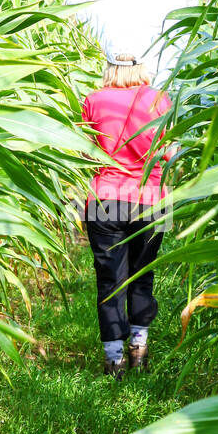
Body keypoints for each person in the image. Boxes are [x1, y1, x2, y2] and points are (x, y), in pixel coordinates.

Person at [80, 47, 172, 379]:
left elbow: (84, 152)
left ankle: (113, 361)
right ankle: (140, 351)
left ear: (109, 68)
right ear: (140, 67)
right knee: (142, 276)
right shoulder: (159, 99)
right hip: (151, 200)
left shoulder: (93, 100)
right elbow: (170, 152)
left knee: (110, 281)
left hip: (103, 201)